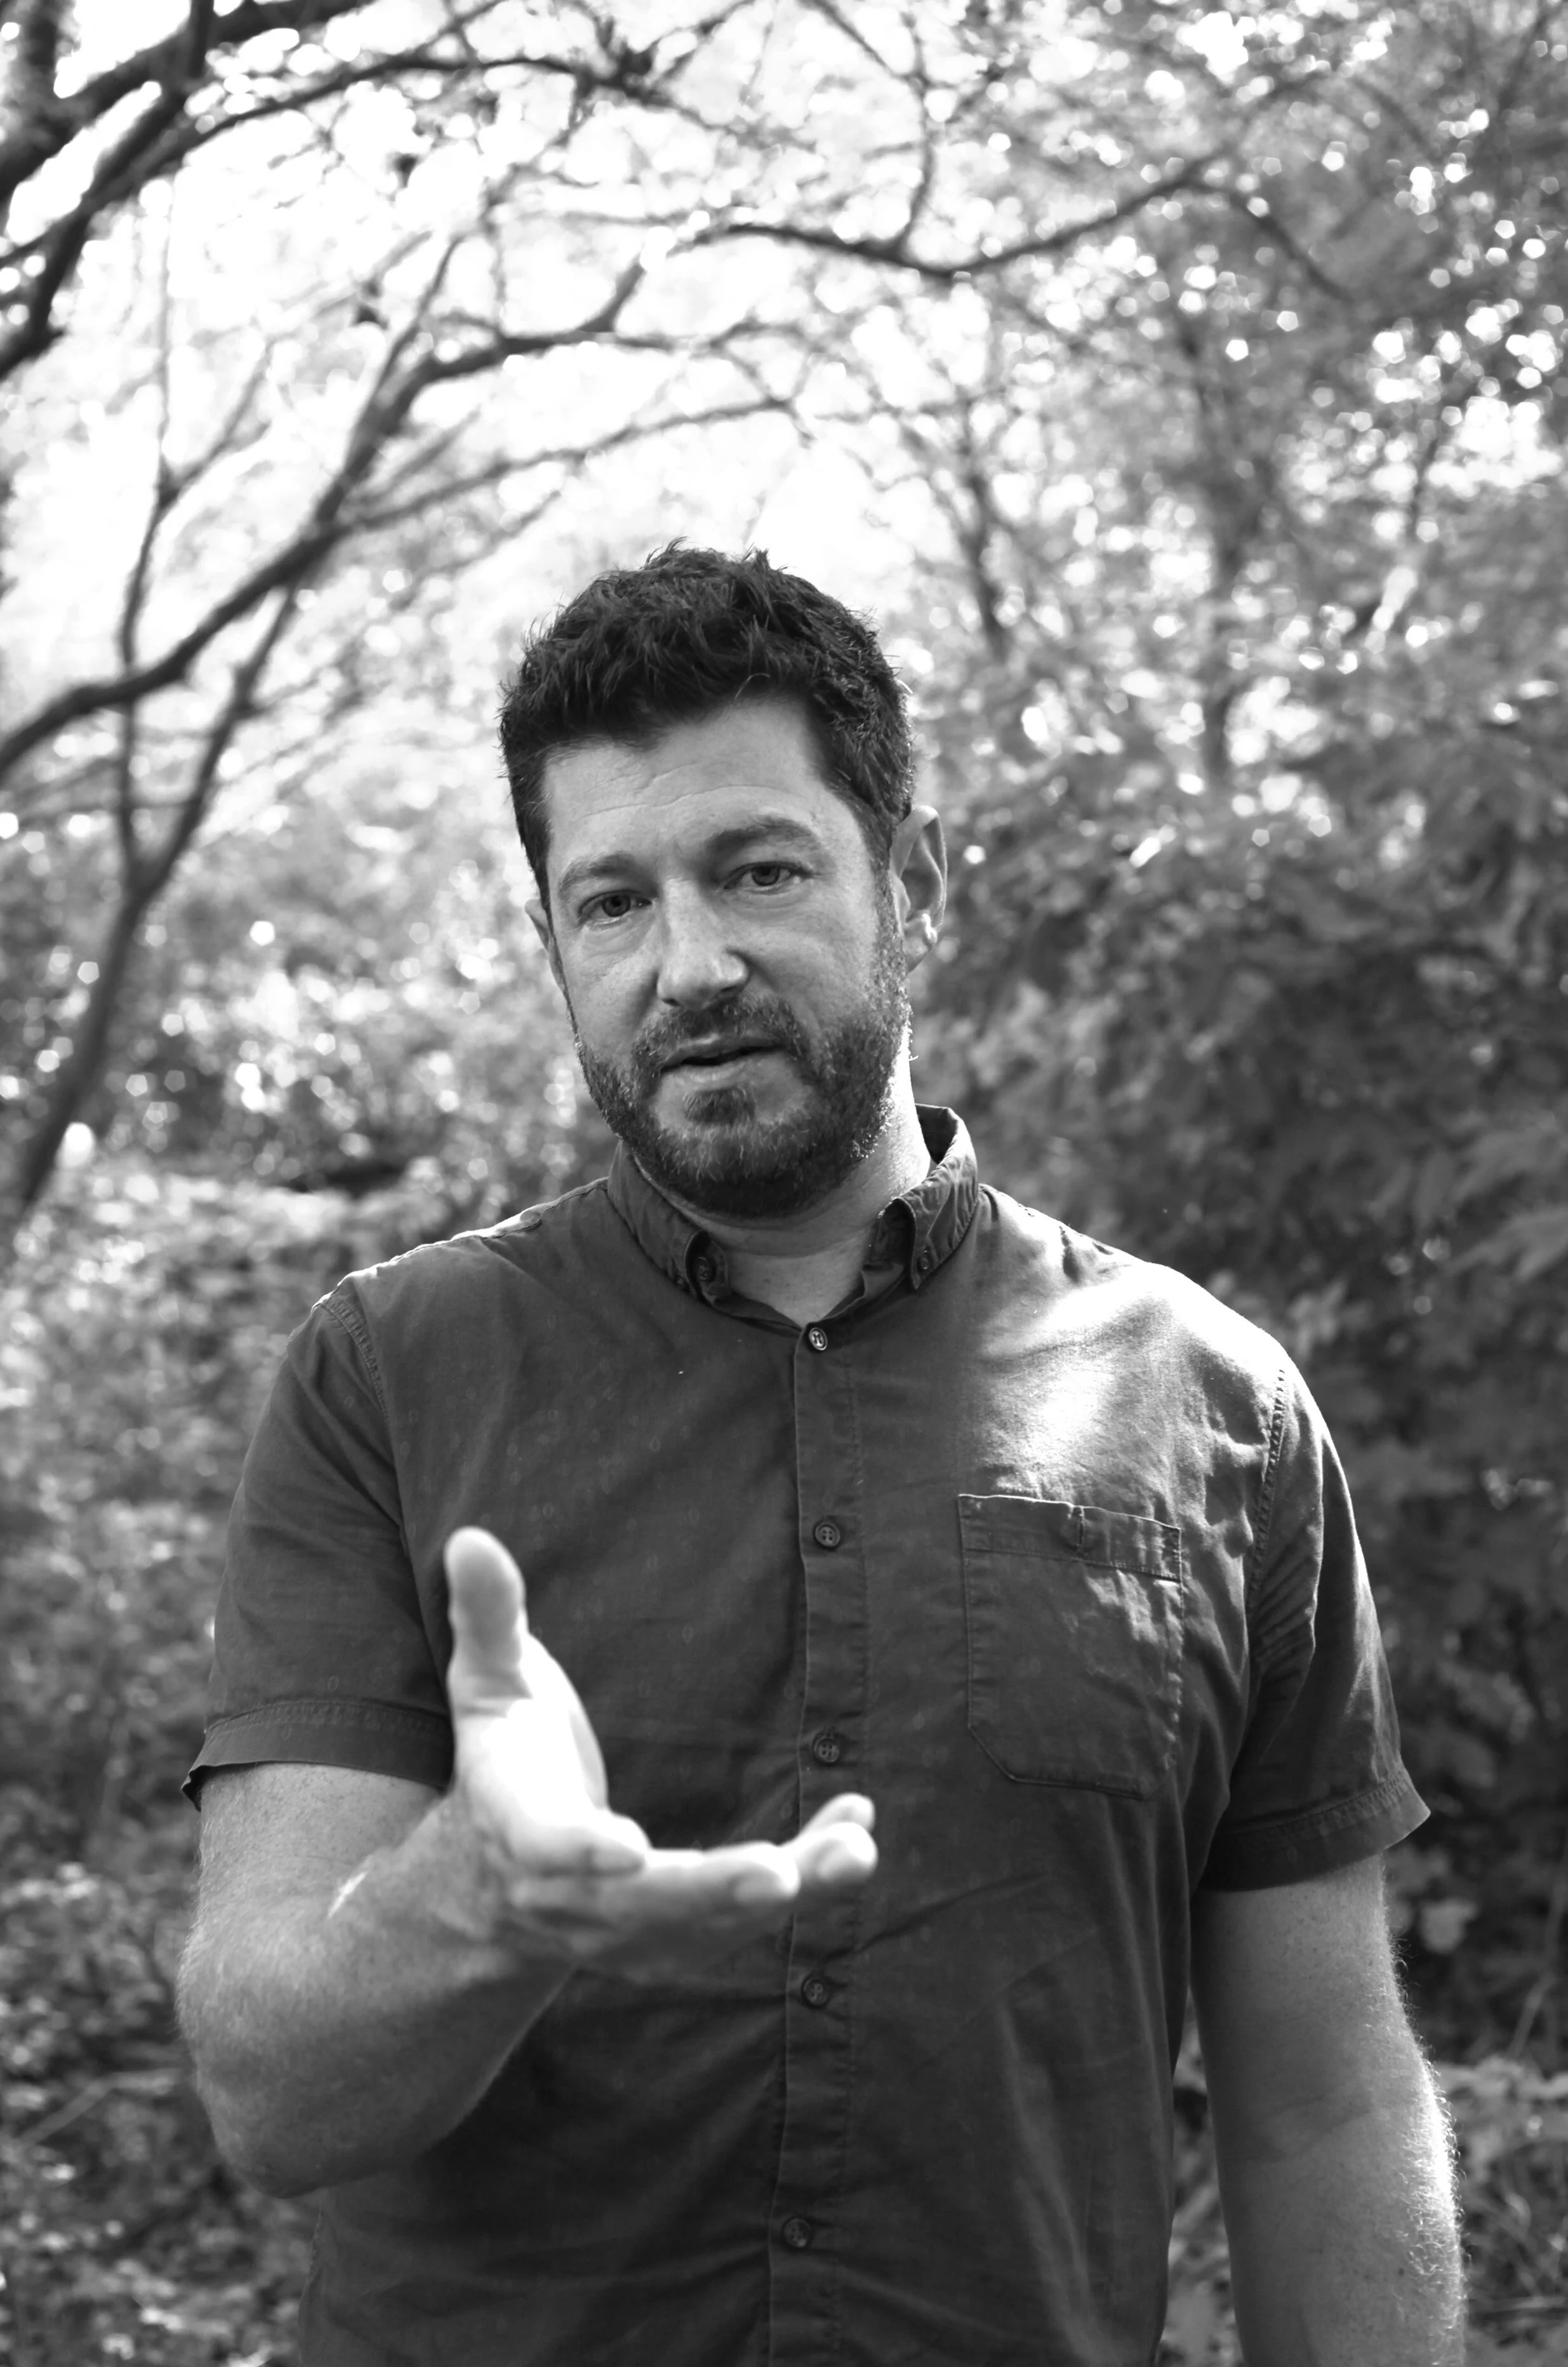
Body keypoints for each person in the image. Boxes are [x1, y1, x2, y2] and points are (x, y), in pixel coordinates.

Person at [178, 545, 1464, 2366]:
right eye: (611, 901)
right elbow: (272, 2098)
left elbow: (1323, 2104)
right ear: (553, 941)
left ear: (912, 879)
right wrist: (477, 1902)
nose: (688, 964)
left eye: (758, 870)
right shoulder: (386, 1376)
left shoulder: (1217, 1411)